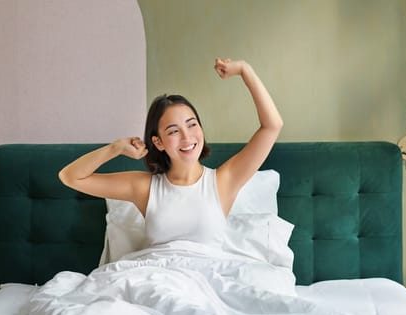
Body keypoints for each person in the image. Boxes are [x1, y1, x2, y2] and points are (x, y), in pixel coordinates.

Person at [59, 58, 283, 248]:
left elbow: (272, 126)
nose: (187, 137)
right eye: (174, 131)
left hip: (207, 280)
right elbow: (70, 177)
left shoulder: (224, 181)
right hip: (159, 279)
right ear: (158, 142)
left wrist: (245, 70)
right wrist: (115, 147)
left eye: (192, 125)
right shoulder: (144, 188)